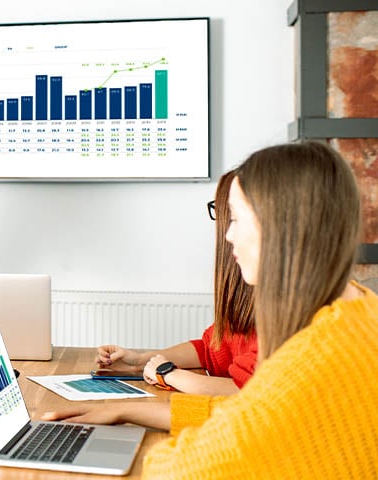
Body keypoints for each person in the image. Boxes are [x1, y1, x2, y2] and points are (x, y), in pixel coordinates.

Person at [43, 142, 378, 478]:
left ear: (281, 226)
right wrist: (127, 411)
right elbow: (248, 411)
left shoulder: (311, 360)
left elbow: (176, 472)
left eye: (236, 218)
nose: (228, 235)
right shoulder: (360, 310)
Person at [96, 171, 257, 395]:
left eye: (234, 217)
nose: (227, 234)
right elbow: (209, 350)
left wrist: (169, 373)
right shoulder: (247, 301)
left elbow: (250, 391)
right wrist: (141, 360)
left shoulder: (281, 316)